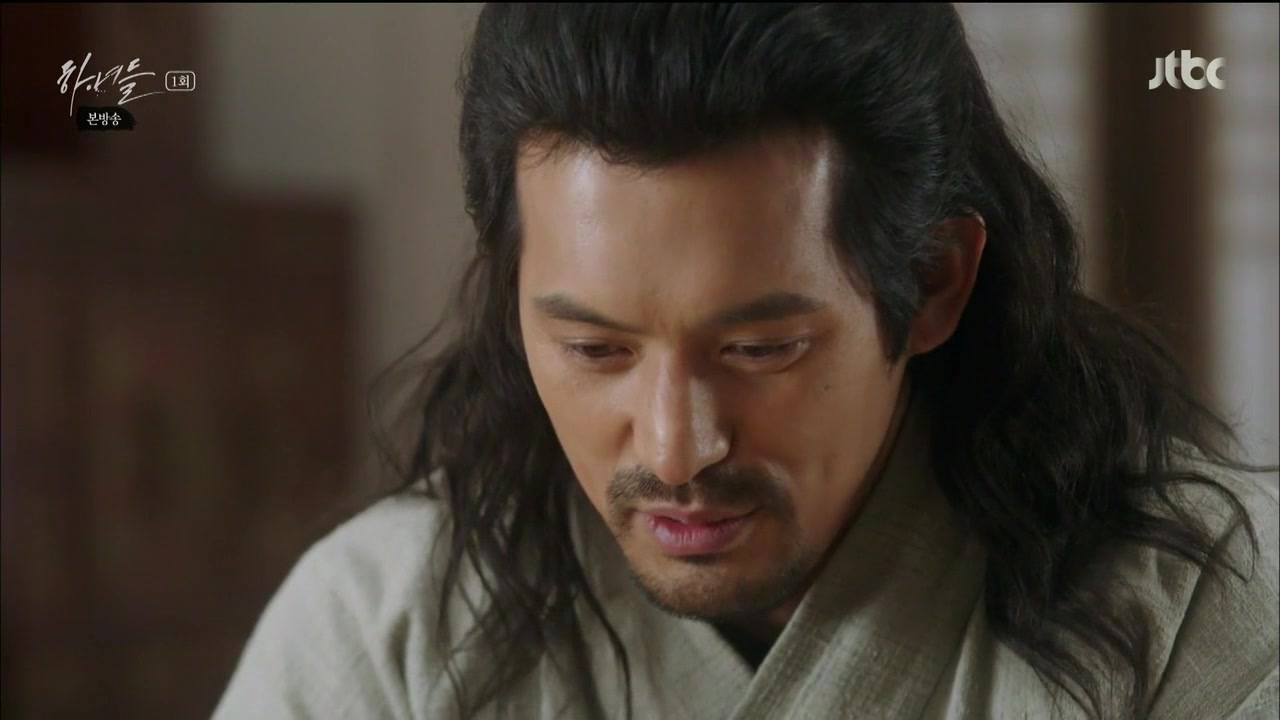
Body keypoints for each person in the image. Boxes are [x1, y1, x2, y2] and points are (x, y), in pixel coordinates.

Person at [212, 4, 1279, 719]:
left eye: (761, 348)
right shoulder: (387, 628)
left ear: (932, 283)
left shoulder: (1204, 616)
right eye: (594, 349)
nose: (676, 447)